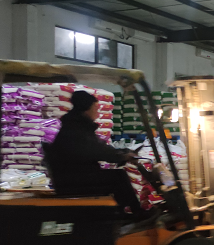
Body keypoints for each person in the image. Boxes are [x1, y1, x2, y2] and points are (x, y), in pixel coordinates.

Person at [45, 90, 146, 218]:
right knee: (118, 177)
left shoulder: (76, 127)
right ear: (86, 109)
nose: (97, 113)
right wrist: (122, 156)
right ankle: (136, 214)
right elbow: (98, 150)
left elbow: (98, 147)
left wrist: (123, 153)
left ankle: (121, 213)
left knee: (115, 177)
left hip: (74, 176)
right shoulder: (77, 130)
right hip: (73, 180)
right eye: (95, 108)